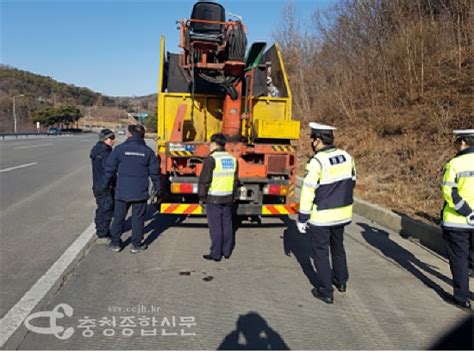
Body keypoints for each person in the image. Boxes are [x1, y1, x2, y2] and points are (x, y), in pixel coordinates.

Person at [296, 122, 356, 304]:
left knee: (320, 253)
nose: (312, 143)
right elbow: (352, 181)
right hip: (343, 214)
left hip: (322, 216)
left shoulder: (317, 162)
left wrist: (302, 217)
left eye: (312, 139)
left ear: (318, 140)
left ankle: (326, 291)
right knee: (338, 247)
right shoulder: (347, 157)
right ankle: (341, 281)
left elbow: (308, 190)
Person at [102, 125, 161, 254]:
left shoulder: (119, 150)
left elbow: (109, 169)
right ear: (143, 136)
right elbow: (155, 173)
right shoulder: (148, 152)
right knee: (138, 219)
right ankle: (136, 245)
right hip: (140, 192)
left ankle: (115, 243)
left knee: (118, 217)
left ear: (129, 135)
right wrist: (158, 188)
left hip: (122, 190)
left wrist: (105, 185)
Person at [440, 129, 474, 310]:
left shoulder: (454, 164)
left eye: (456, 142)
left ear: (463, 143)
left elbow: (449, 192)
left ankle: (462, 298)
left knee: (459, 260)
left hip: (457, 221)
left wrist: (468, 212)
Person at [198, 133, 238, 262]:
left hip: (214, 197)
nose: (209, 146)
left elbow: (204, 180)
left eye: (210, 144)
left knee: (215, 227)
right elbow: (235, 181)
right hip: (228, 196)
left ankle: (216, 254)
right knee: (227, 224)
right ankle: (226, 251)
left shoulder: (211, 159)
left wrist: (202, 197)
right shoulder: (232, 159)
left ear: (215, 144)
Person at [90, 128, 116, 244]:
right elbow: (109, 171)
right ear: (105, 139)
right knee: (106, 209)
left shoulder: (97, 149)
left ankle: (101, 230)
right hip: (104, 186)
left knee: (103, 209)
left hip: (99, 185)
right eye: (111, 138)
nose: (113, 141)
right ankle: (102, 234)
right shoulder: (105, 153)